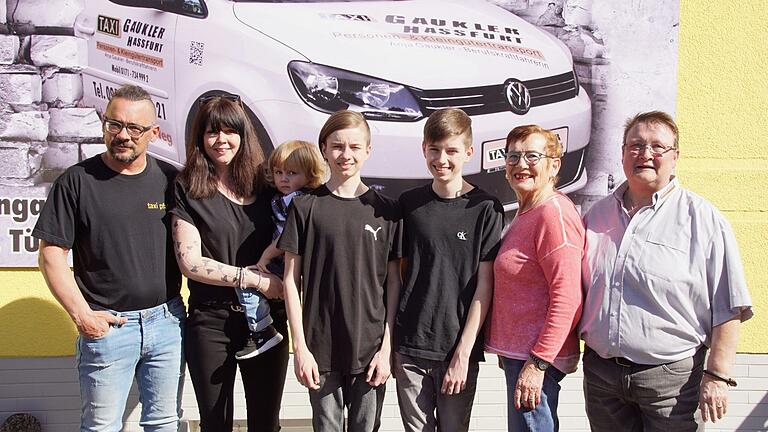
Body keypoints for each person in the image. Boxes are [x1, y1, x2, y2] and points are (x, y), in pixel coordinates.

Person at [579, 111, 753, 431]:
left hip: (671, 383)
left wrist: (717, 375)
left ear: (675, 157)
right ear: (622, 153)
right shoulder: (597, 215)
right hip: (602, 378)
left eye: (657, 147)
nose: (645, 154)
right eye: (636, 145)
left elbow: (730, 305)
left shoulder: (703, 220)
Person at [33, 84, 184, 431]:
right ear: (104, 124)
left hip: (167, 324)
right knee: (102, 427)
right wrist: (82, 316)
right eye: (114, 124)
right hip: (108, 328)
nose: (123, 136)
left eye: (135, 128)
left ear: (154, 133)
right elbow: (52, 255)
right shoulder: (77, 182)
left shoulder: (170, 181)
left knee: (164, 424)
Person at [279, 110, 402, 432]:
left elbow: (393, 284)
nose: (345, 155)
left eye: (354, 147)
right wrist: (301, 348)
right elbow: (291, 282)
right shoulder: (305, 208)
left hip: (370, 350)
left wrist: (386, 349)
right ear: (323, 148)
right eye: (337, 146)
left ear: (368, 150)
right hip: (321, 351)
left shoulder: (386, 212)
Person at [170, 95, 288, 431]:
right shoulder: (187, 188)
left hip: (267, 323)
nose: (221, 140)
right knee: (215, 422)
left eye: (229, 131)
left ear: (243, 134)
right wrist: (253, 279)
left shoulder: (269, 185)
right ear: (200, 139)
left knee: (266, 423)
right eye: (211, 133)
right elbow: (190, 262)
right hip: (211, 322)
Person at [393, 108, 503, 431]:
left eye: (452, 150)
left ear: (469, 152)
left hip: (457, 348)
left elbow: (485, 286)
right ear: (424, 149)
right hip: (410, 347)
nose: (442, 159)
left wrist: (463, 354)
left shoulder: (485, 208)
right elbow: (396, 275)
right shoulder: (408, 204)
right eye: (435, 149)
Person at [485, 125, 584, 432]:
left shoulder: (553, 214)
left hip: (537, 361)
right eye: (512, 156)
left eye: (532, 155)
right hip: (521, 357)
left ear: (554, 165)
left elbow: (568, 298)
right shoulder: (527, 213)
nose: (520, 164)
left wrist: (538, 362)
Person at [255, 139, 326, 278]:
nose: (284, 178)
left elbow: (289, 235)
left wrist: (267, 254)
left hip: (293, 262)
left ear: (310, 175)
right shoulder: (280, 197)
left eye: (292, 173)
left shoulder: (298, 200)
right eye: (278, 172)